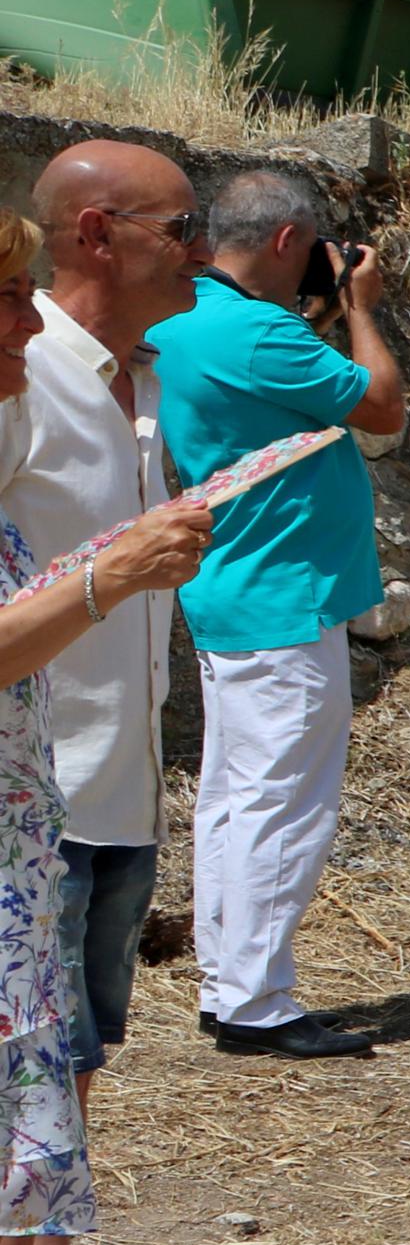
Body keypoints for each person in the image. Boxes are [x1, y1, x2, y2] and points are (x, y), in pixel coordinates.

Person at [0, 221, 208, 1245]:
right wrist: (114, 573)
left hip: (39, 820)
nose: (28, 325)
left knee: (44, 1087)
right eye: (2, 301)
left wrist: (123, 567)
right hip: (31, 828)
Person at [146, 164, 408, 1060]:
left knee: (232, 797)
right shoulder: (261, 334)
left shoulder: (184, 319)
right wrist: (362, 307)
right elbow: (381, 406)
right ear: (289, 242)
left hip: (234, 586)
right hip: (284, 594)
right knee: (285, 803)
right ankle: (257, 1003)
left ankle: (232, 986)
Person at [12, 145, 190, 1125]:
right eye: (178, 230)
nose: (197, 253)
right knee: (23, 1091)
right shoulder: (18, 373)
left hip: (123, 800)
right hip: (33, 807)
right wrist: (116, 572)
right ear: (94, 235)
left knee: (71, 1080)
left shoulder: (145, 382)